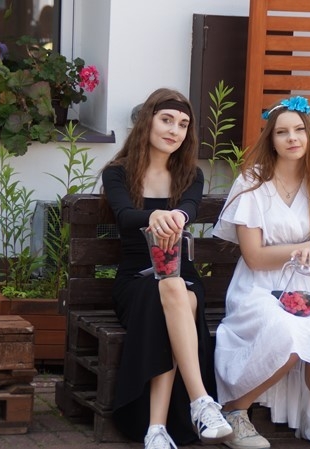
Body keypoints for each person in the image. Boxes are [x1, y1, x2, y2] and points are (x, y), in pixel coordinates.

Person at [212, 96, 310, 449]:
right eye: (282, 132)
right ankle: (234, 412)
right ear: (271, 139)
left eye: (298, 130)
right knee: (286, 333)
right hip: (258, 286)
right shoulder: (252, 185)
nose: (292, 138)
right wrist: (305, 247)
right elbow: (255, 257)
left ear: (309, 135)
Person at [101, 88, 233, 449]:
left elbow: (189, 208)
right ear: (148, 121)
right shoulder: (118, 173)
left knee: (175, 288)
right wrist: (154, 215)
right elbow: (125, 216)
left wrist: (177, 215)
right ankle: (200, 402)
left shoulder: (190, 175)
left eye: (183, 124)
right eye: (167, 120)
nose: (175, 130)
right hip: (136, 280)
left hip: (180, 273)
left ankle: (156, 429)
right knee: (173, 297)